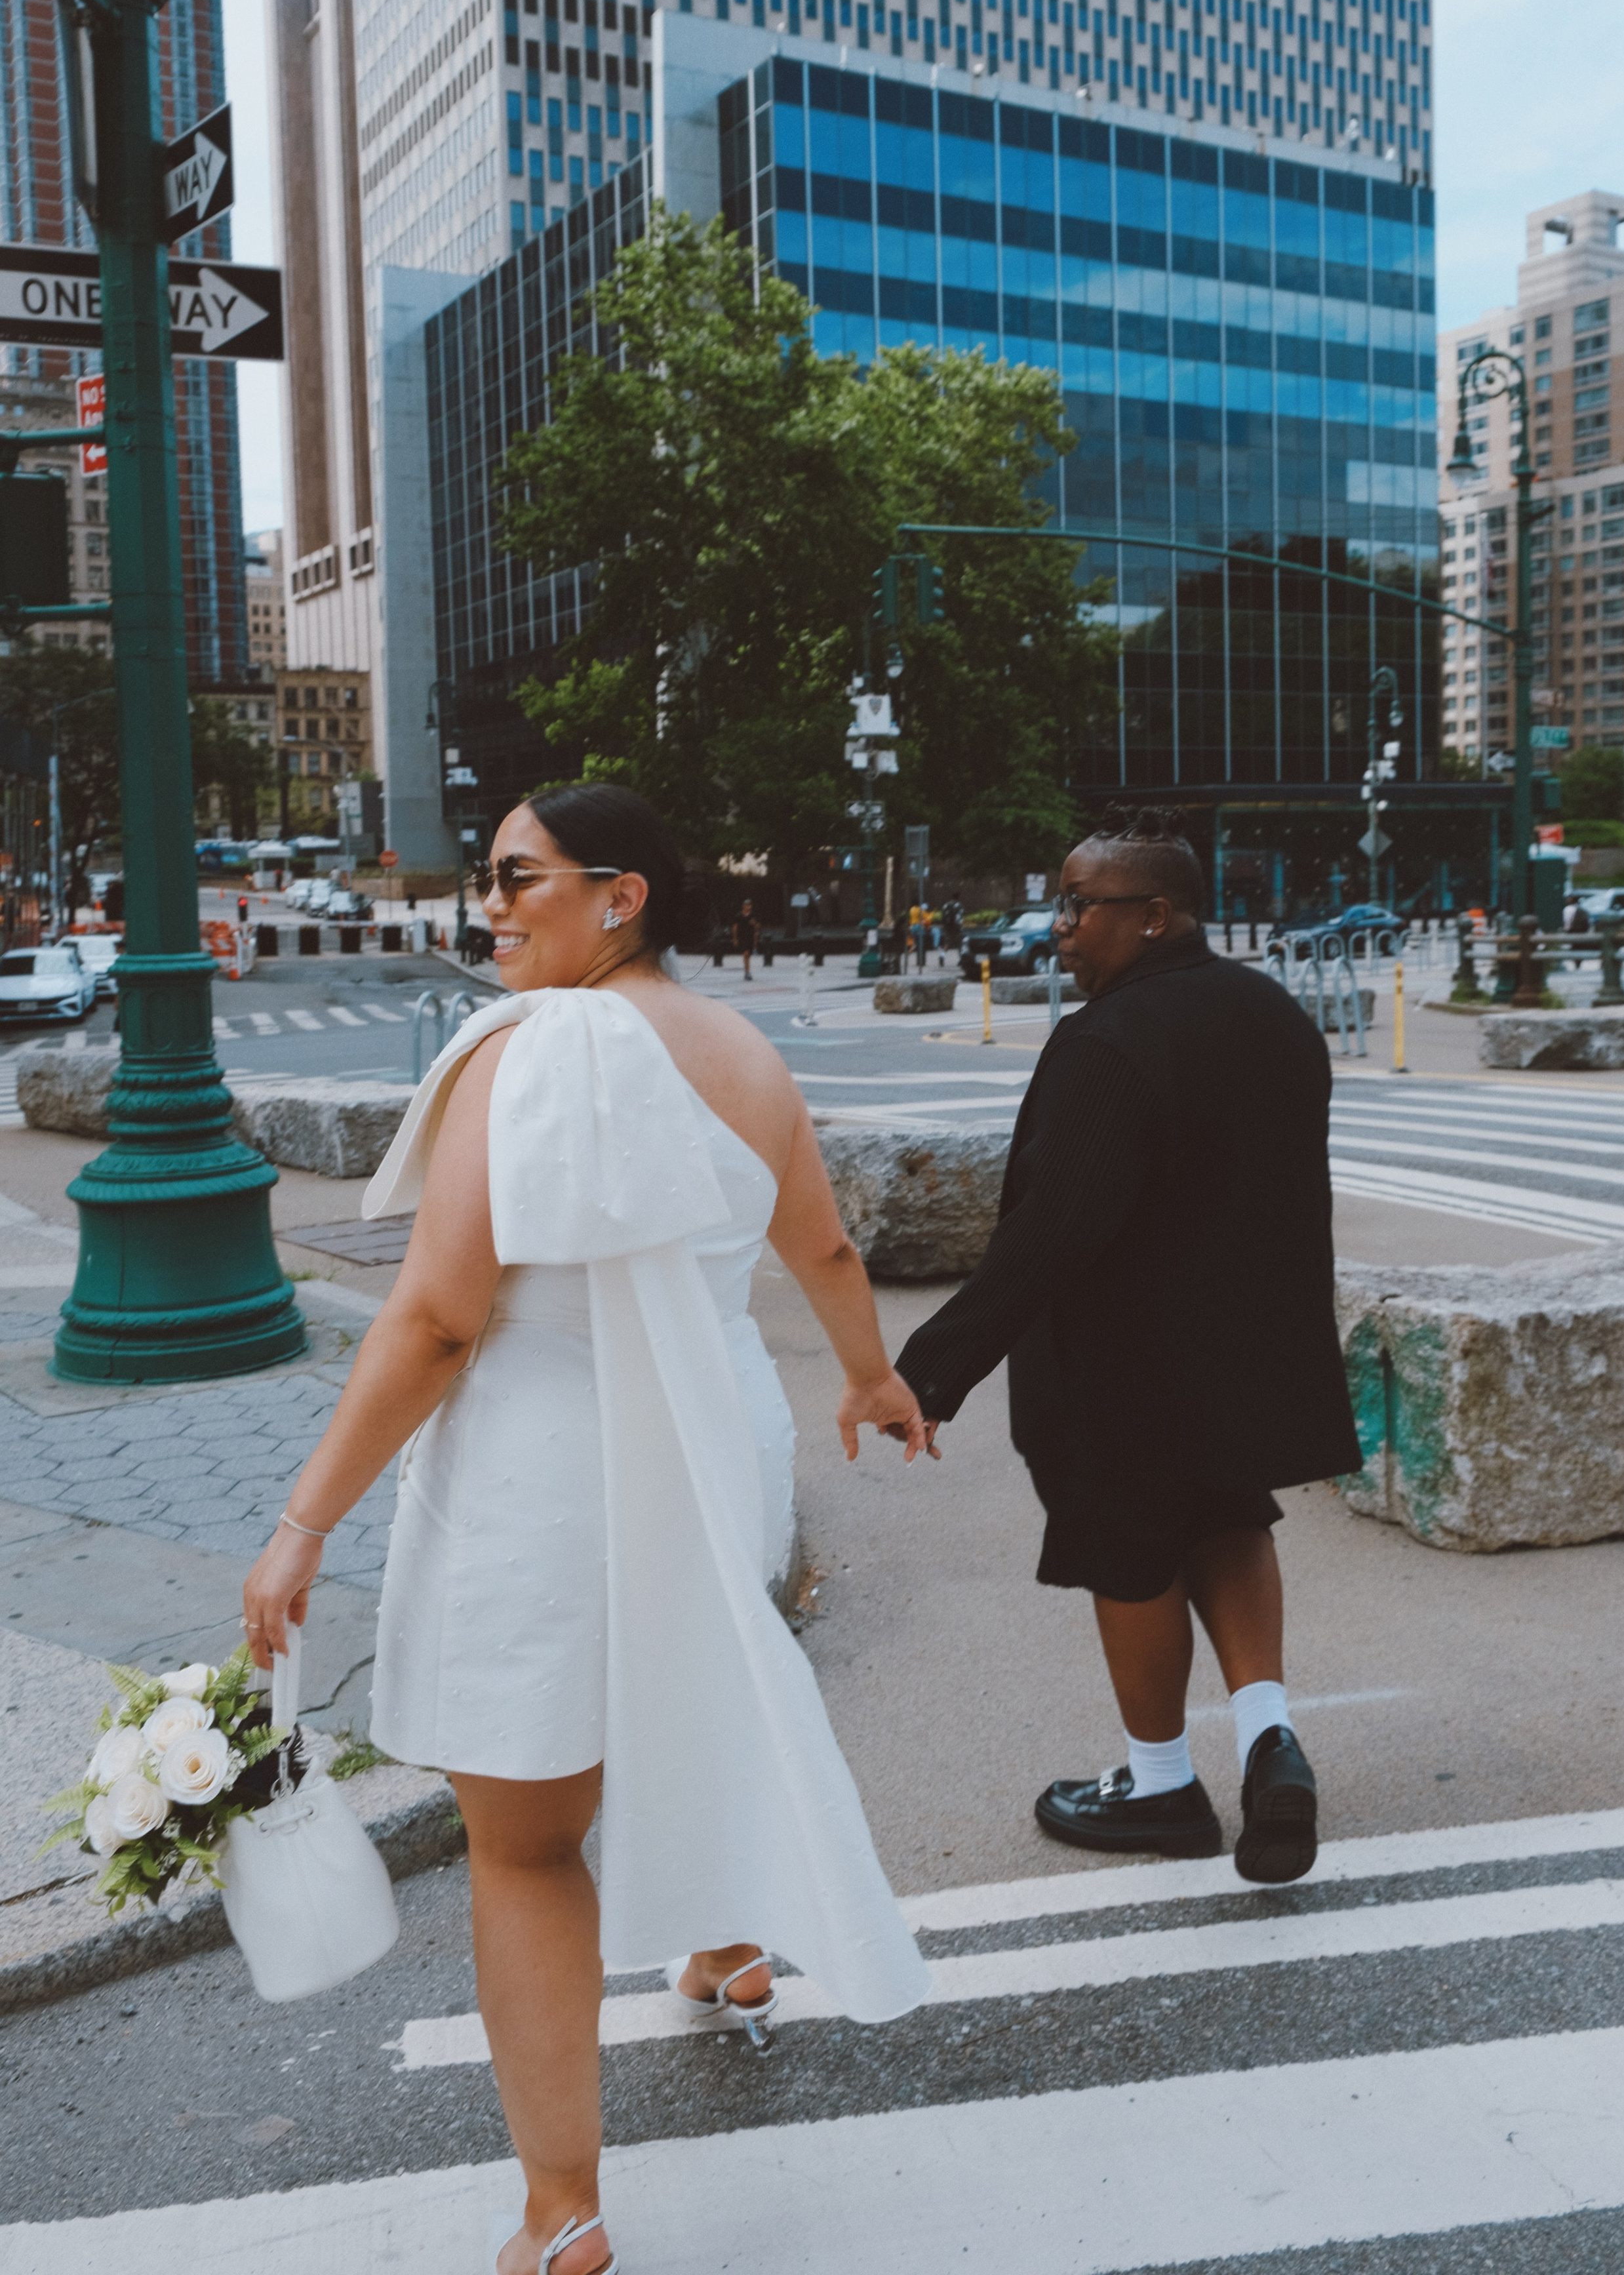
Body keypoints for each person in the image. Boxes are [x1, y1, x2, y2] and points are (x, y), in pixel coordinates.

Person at [242, 784, 930, 2275]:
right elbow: (818, 1239)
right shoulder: (744, 1050)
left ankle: (564, 2208)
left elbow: (432, 1321)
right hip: (715, 1432)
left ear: (619, 893)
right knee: (703, 1686)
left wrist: (304, 1519)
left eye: (516, 878)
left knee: (529, 1842)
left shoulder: (528, 1048)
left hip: (544, 1464)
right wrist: (870, 1375)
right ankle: (728, 1944)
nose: (487, 905)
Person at [894, 806, 1360, 1886]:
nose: (1057, 925)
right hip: (1250, 1345)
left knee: (1130, 1549)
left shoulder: (1111, 1040)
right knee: (1231, 1516)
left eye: (1078, 905)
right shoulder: (1273, 1013)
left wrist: (930, 1372)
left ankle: (1160, 1787)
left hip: (1123, 1362)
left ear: (1154, 916)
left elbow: (1053, 1229)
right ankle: (1267, 1740)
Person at [732, 895, 761, 980]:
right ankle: (747, 972)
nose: (747, 907)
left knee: (748, 955)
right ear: (743, 906)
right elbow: (734, 927)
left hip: (750, 937)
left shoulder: (753, 915)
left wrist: (754, 924)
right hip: (742, 937)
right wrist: (735, 938)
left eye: (749, 905)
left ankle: (747, 971)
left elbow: (758, 927)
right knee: (746, 954)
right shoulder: (739, 916)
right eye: (746, 905)